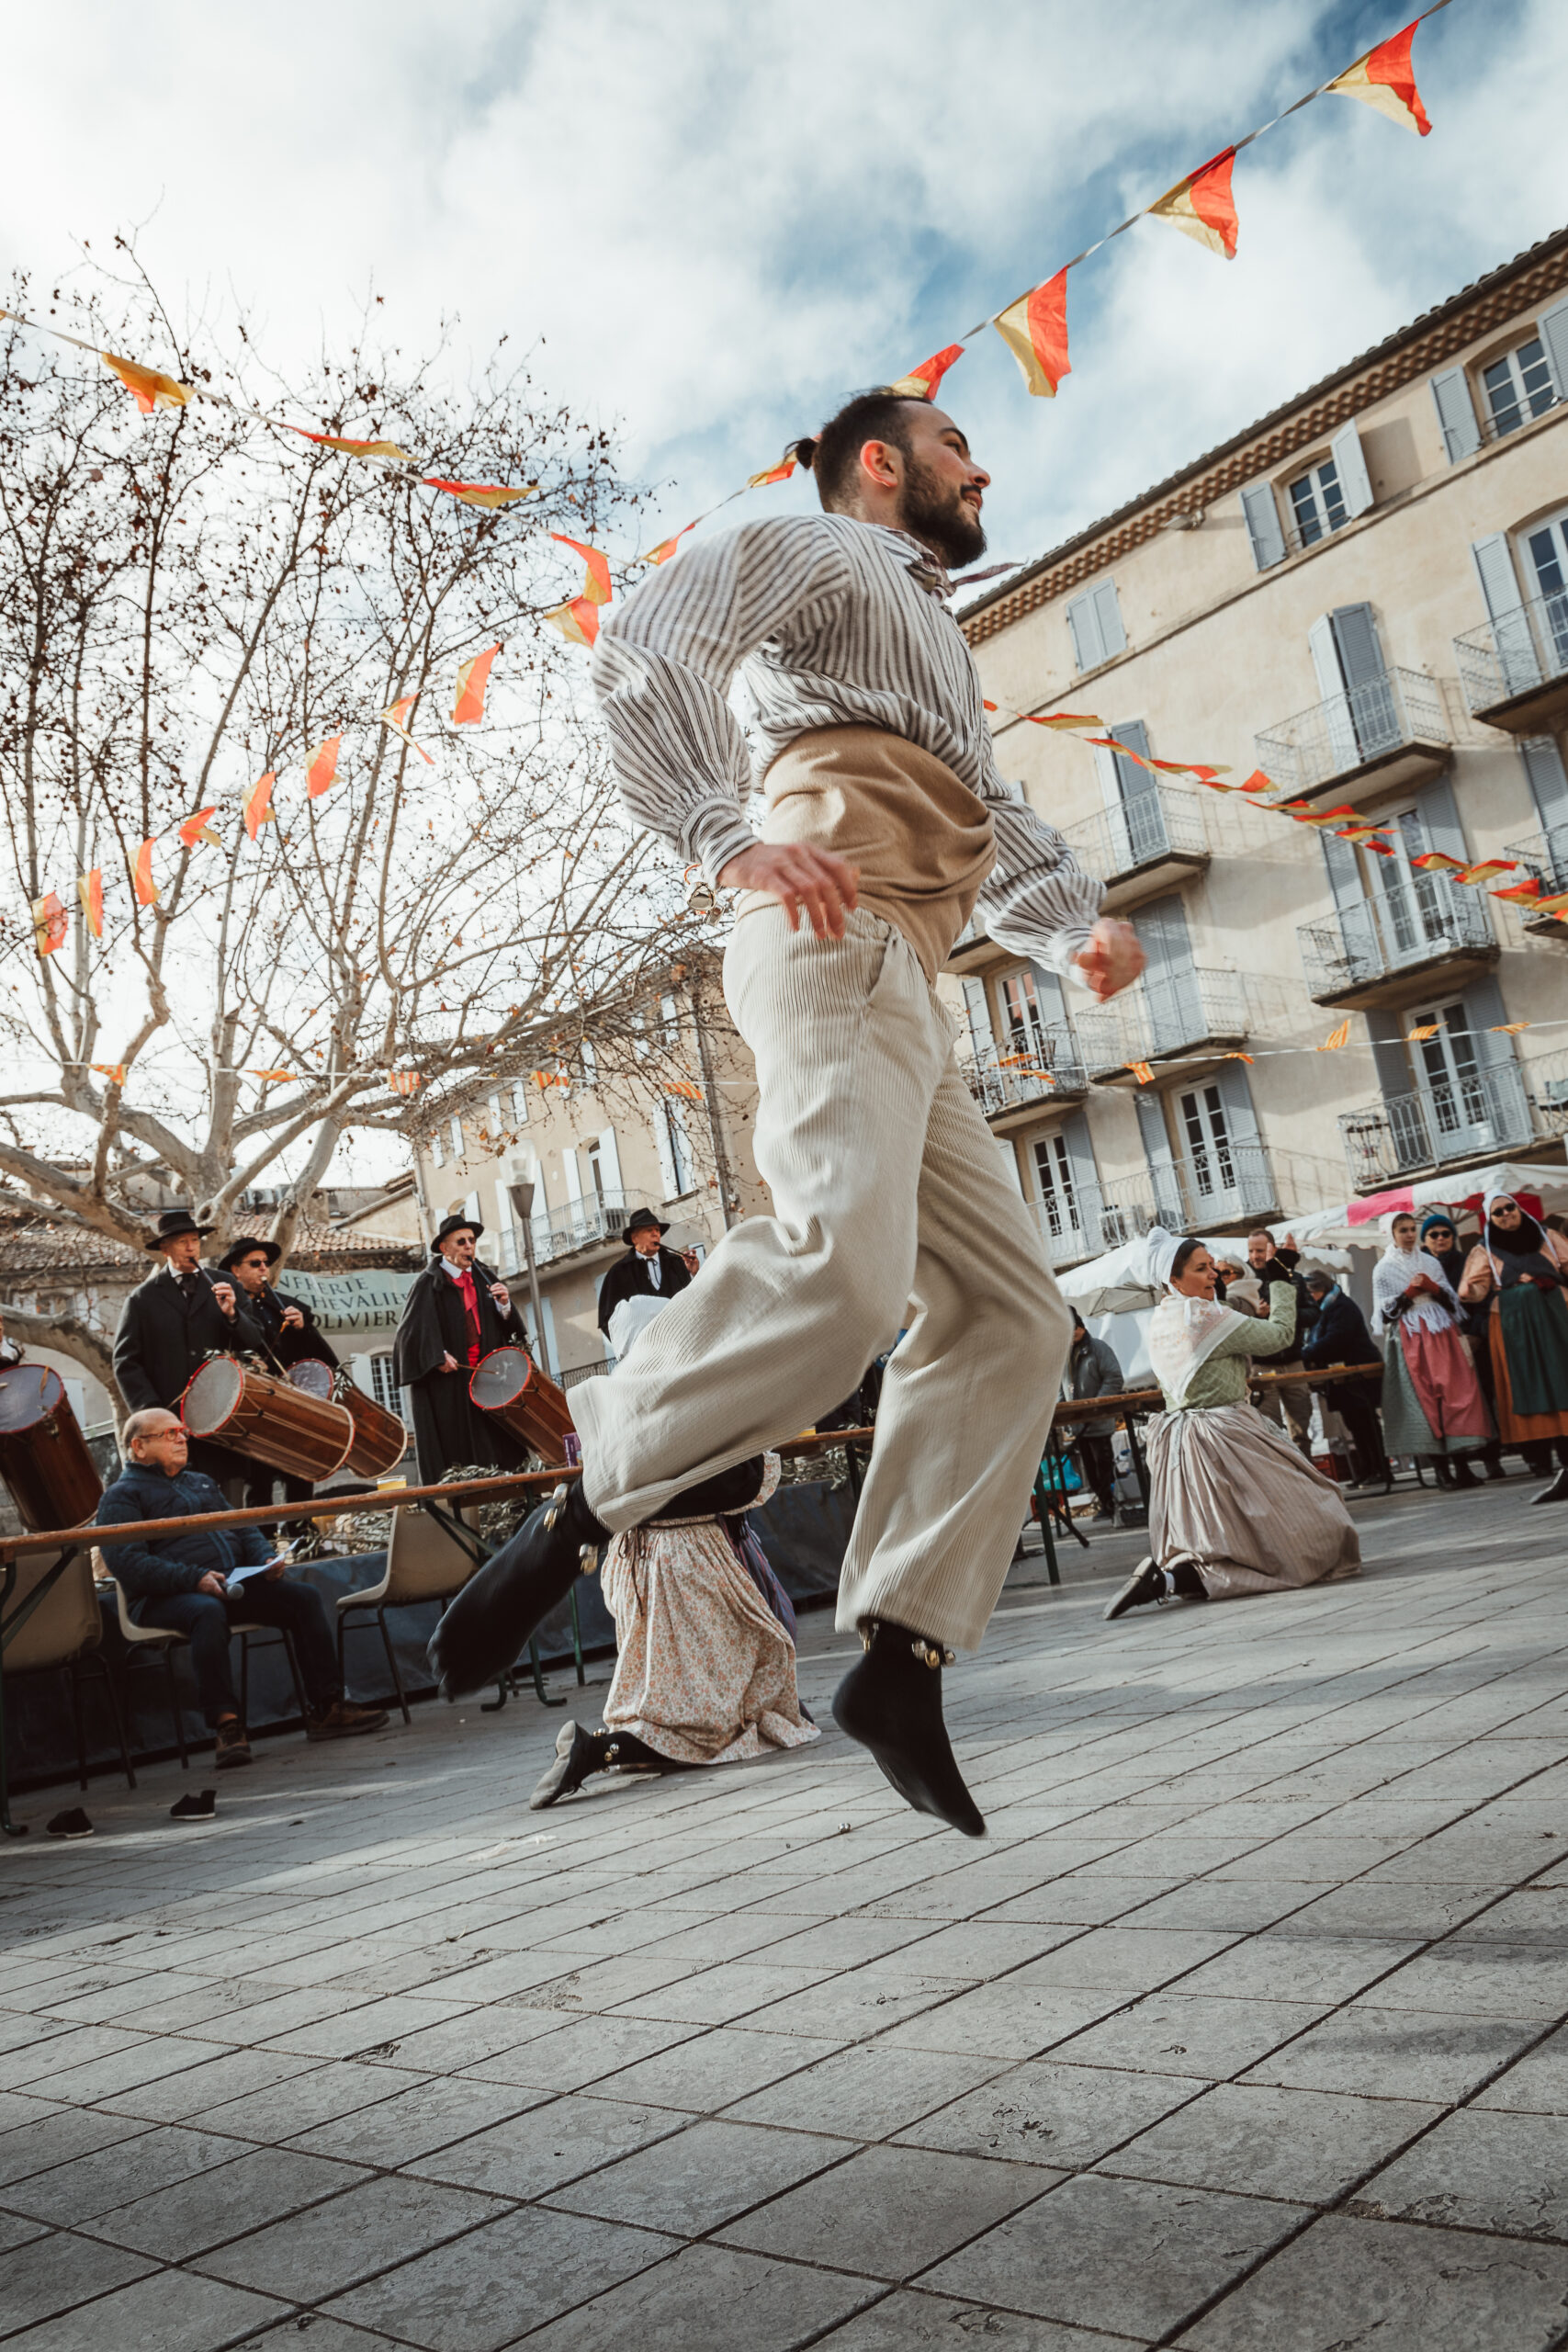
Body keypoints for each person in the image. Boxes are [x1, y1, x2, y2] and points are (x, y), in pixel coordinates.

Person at [427, 385, 1145, 1839]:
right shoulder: (819, 550)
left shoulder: (925, 633)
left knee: (1010, 1318)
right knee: (841, 1276)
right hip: (830, 934)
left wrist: (1073, 922)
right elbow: (647, 647)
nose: (979, 467)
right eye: (955, 445)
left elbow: (984, 806)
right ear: (879, 462)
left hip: (902, 979)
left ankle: (900, 1657)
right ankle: (590, 1496)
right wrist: (723, 836)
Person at [96, 1408, 388, 1765]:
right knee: (206, 1611)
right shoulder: (120, 1497)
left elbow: (243, 1527)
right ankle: (227, 1726)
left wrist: (265, 1558)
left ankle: (328, 1708)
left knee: (304, 1597)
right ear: (138, 1447)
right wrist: (193, 1578)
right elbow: (127, 1563)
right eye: (169, 1434)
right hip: (164, 1598)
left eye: (182, 1431)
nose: (182, 1439)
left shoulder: (200, 1482)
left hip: (229, 1583)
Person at [528, 1453, 818, 1808]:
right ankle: (597, 1751)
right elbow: (744, 1483)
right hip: (684, 1556)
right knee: (709, 1730)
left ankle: (604, 1747)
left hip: (635, 1556)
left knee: (681, 1698)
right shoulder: (683, 1431)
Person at [1105, 1228, 1359, 1621]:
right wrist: (1280, 1275)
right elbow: (1280, 1335)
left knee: (1220, 1539)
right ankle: (1173, 1580)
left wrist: (1222, 1298)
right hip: (1225, 1434)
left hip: (1181, 1443)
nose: (1213, 1274)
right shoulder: (1206, 1316)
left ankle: (1166, 1581)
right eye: (1202, 1269)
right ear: (1174, 1279)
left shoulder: (1165, 1316)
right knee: (1317, 1517)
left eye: (1212, 1266)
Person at [113, 1207, 268, 1481]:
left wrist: (233, 1315)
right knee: (177, 1498)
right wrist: (154, 1413)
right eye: (182, 1241)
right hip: (172, 1429)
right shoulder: (142, 1299)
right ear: (165, 1249)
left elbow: (256, 1341)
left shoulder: (227, 1284)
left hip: (223, 1417)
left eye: (195, 1240)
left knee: (228, 1499)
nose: (191, 1247)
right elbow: (125, 1362)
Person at [391, 1214, 533, 1483]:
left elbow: (507, 1327)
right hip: (451, 1384)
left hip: (488, 1379)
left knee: (500, 1444)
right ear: (444, 1248)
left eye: (472, 1240)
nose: (469, 1246)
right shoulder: (428, 1283)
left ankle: (509, 1494)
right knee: (458, 1451)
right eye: (461, 1241)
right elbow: (409, 1334)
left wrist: (504, 1306)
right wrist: (437, 1356)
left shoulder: (485, 1277)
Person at [1458, 1191, 1568, 1504]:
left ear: (1519, 1209)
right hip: (1514, 1323)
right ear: (1490, 1219)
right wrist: (1472, 1289)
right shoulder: (1484, 1248)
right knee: (1527, 1383)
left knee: (1562, 1378)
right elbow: (1474, 1289)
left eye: (1510, 1208)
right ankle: (1540, 1458)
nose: (1506, 1214)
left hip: (1556, 1315)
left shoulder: (1546, 1236)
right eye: (1498, 1212)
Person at [219, 1237, 341, 1518]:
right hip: (256, 1408)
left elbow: (317, 1357)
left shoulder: (285, 1305)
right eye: (255, 1263)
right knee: (259, 1482)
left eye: (266, 1263)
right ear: (236, 1270)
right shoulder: (227, 1309)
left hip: (293, 1404)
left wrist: (303, 1328)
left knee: (301, 1475)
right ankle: (265, 1539)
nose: (264, 1268)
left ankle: (302, 1533)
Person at [1372, 1211, 1490, 1489]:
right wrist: (1408, 1295)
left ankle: (1462, 1467)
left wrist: (1434, 1288)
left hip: (1442, 1333)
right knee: (1423, 1399)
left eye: (1411, 1229)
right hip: (1410, 1337)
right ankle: (1441, 1472)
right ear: (1391, 1234)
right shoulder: (1384, 1269)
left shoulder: (1430, 1262)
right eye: (1402, 1230)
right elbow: (1384, 1315)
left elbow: (1452, 1302)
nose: (1409, 1235)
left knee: (1454, 1395)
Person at [1418, 1209, 1505, 1483]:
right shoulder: (1418, 1267)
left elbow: (1483, 1299)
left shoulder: (1467, 1262)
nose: (1440, 1238)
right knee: (1447, 1404)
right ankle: (1459, 1465)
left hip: (1470, 1339)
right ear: (1425, 1239)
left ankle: (1491, 1458)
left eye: (1446, 1233)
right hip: (1438, 1343)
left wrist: (1476, 1334)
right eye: (1434, 1234)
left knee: (1484, 1398)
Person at [1300, 1269, 1388, 1489]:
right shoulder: (1326, 1307)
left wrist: (1306, 1353)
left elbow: (1337, 1338)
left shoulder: (1341, 1307)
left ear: (1322, 1289)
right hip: (1343, 1375)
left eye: (1313, 1292)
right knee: (1354, 1423)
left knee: (1365, 1422)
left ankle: (1380, 1469)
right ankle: (1367, 1469)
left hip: (1357, 1373)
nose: (1311, 1297)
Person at [1244, 1229, 1315, 1457]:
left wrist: (1284, 1313)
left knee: (1301, 1425)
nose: (1254, 1256)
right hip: (1262, 1364)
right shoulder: (1244, 1281)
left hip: (1293, 1360)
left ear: (1272, 1249)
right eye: (1251, 1250)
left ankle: (1306, 1470)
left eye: (1259, 1250)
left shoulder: (1293, 1277)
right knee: (1270, 1427)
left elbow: (1314, 1314)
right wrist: (1257, 1316)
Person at [595, 1210, 699, 1341]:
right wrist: (630, 1348)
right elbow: (608, 1320)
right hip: (644, 1348)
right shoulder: (619, 1272)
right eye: (649, 1230)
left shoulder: (676, 1263)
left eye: (657, 1230)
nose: (655, 1233)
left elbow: (693, 1300)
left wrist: (694, 1274)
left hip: (681, 1342)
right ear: (634, 1238)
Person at [1065, 1313, 1123, 1523]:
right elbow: (1060, 1385)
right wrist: (1064, 1411)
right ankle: (1106, 1503)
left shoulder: (1098, 1348)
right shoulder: (1064, 1354)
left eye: (1074, 1328)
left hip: (1098, 1420)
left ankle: (1112, 1503)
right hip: (1078, 1423)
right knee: (1090, 1470)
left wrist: (1097, 1404)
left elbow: (1114, 1377)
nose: (1071, 1334)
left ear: (1081, 1327)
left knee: (1103, 1465)